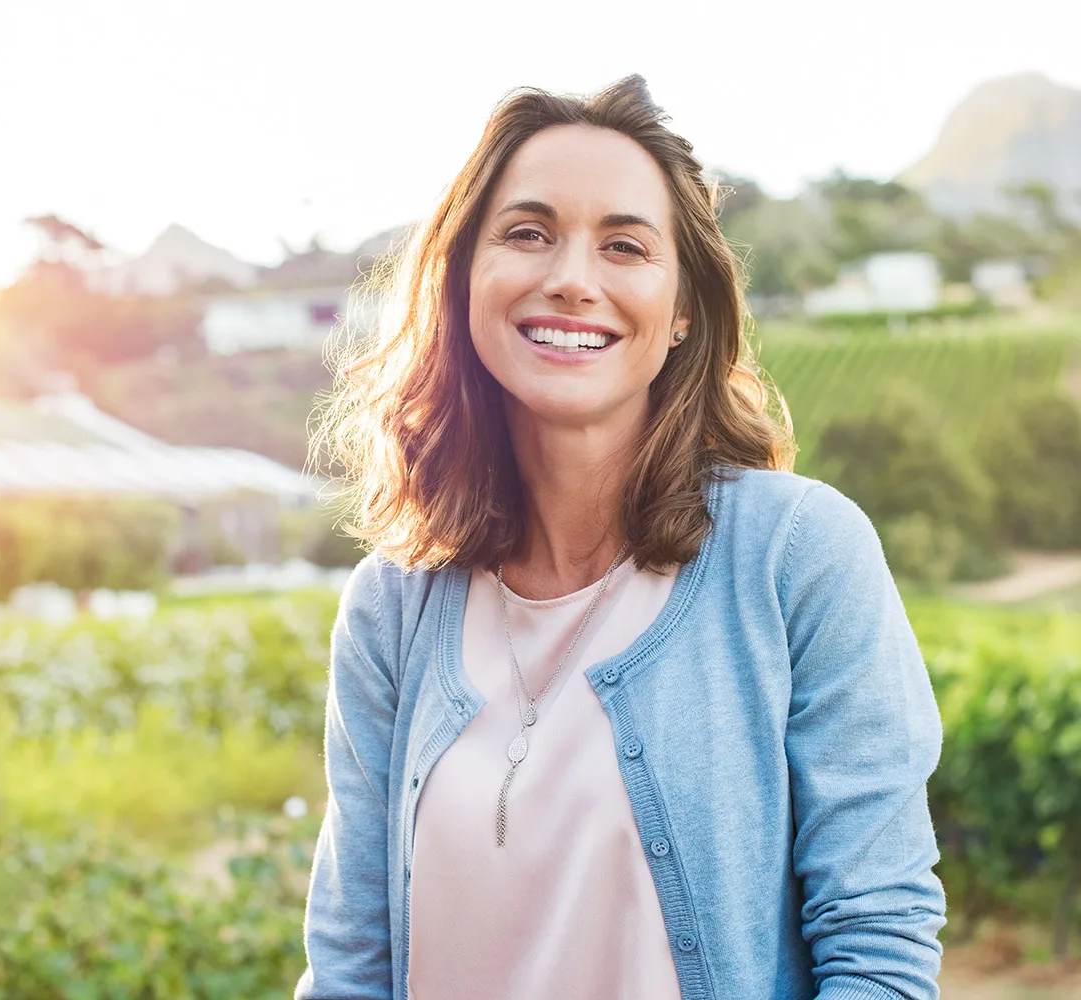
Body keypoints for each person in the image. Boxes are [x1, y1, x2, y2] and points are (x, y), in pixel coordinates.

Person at [295, 75, 946, 1000]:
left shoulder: (797, 554)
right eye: (528, 233)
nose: (571, 278)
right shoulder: (393, 605)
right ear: (464, 278)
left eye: (625, 246)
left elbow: (878, 942)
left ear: (683, 310)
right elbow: (349, 967)